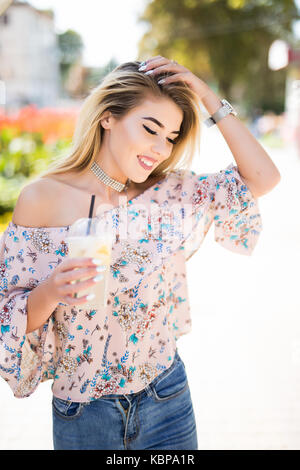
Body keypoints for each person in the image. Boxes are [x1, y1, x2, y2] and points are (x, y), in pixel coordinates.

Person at [0, 56, 280, 450]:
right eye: (150, 128)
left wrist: (204, 93)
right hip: (85, 411)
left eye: (170, 136)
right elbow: (9, 315)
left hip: (167, 396)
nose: (160, 149)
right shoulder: (42, 199)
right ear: (108, 117)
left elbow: (263, 177)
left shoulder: (169, 192)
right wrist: (52, 289)